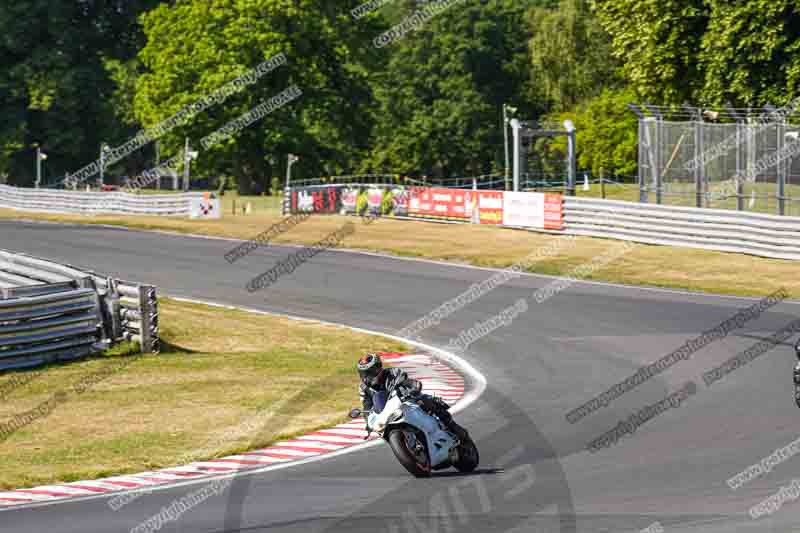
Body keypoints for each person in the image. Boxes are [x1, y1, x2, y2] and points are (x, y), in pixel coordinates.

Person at [357, 352, 469, 441]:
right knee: (380, 429)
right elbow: (366, 406)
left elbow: (404, 379)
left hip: (406, 400)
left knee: (424, 400)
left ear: (378, 368)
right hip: (387, 412)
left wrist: (411, 385)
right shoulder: (363, 388)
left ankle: (452, 426)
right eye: (364, 374)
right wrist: (368, 423)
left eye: (370, 372)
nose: (367, 377)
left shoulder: (392, 372)